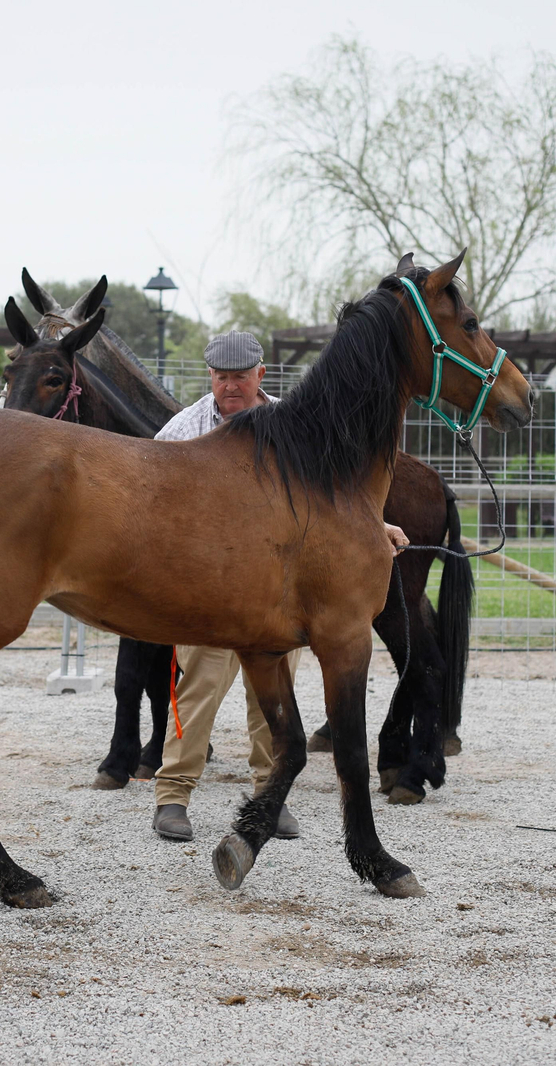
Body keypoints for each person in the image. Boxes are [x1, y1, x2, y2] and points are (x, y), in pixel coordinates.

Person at [150, 332, 407, 842]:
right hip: (207, 591)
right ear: (210, 378)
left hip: (275, 592)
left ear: (260, 375)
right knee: (195, 690)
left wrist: (376, 528)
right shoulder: (182, 431)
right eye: (221, 377)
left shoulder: (296, 427)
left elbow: (332, 503)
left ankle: (271, 797)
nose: (229, 386)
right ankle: (173, 797)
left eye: (239, 377)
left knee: (273, 697)